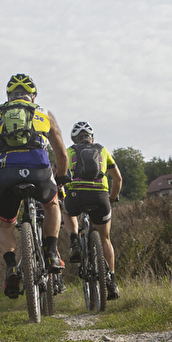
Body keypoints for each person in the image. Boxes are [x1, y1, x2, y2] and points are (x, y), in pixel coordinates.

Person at [0, 74, 68, 298]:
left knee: (5, 224)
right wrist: (61, 179)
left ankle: (11, 267)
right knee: (51, 205)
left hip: (6, 173)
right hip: (39, 171)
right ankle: (51, 253)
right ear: (33, 96)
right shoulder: (43, 113)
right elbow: (62, 153)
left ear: (9, 96)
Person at [61, 121, 123, 301]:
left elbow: (56, 173)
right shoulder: (102, 150)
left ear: (74, 139)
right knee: (105, 239)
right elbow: (118, 179)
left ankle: (74, 242)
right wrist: (112, 198)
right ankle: (111, 280)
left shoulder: (69, 151)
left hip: (76, 194)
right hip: (100, 196)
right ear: (92, 138)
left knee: (68, 210)